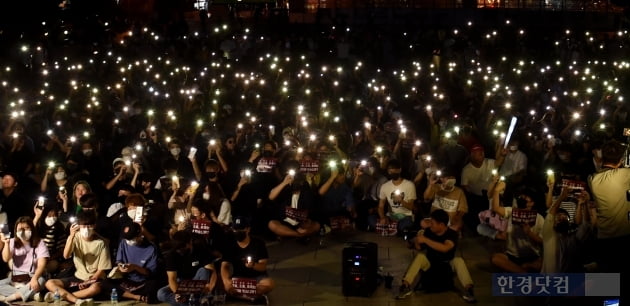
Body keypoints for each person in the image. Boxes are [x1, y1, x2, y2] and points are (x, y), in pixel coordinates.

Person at [396, 209, 476, 303]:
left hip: (447, 263)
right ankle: (405, 285)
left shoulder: (451, 234)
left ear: (441, 225)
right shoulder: (428, 232)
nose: (430, 225)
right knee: (420, 257)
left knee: (458, 261)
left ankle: (469, 289)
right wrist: (414, 241)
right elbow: (419, 248)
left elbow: (445, 248)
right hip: (431, 262)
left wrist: (426, 240)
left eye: (433, 223)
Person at [44, 211, 112, 305]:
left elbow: (101, 269)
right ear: (79, 226)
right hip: (78, 276)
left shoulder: (101, 243)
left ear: (94, 226)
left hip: (95, 279)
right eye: (84, 226)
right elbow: (66, 255)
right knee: (49, 283)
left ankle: (61, 296)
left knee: (95, 288)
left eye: (89, 226)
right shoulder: (75, 237)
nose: (86, 229)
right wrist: (71, 236)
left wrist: (89, 281)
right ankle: (74, 298)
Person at [587, 140, 630, 274]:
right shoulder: (625, 175)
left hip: (604, 237)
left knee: (608, 276)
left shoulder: (592, 179)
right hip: (624, 236)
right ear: (621, 159)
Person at [489, 180, 544, 273]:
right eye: (521, 196)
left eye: (525, 197)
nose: (522, 198)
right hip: (512, 255)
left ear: (532, 203)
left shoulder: (539, 218)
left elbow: (543, 241)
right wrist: (496, 191)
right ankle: (523, 272)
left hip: (532, 256)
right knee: (495, 258)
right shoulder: (511, 211)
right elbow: (496, 208)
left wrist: (529, 233)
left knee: (542, 263)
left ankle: (520, 269)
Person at [221, 216, 273, 305]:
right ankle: (252, 297)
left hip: (257, 278)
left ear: (248, 229)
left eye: (241, 229)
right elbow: (224, 266)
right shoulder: (230, 245)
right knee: (226, 286)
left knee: (269, 284)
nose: (237, 232)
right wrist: (226, 281)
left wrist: (253, 265)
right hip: (239, 277)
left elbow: (263, 266)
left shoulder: (259, 243)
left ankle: (241, 296)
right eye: (235, 229)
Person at [157, 230, 217, 305]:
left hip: (197, 282)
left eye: (182, 247)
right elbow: (172, 279)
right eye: (178, 249)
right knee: (161, 293)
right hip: (182, 283)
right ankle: (194, 302)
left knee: (204, 270)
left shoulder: (200, 249)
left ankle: (195, 299)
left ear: (190, 242)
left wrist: (210, 287)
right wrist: (177, 293)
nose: (180, 251)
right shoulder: (171, 255)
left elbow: (212, 271)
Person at [104, 222, 159, 303]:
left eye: (131, 239)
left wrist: (135, 267)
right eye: (127, 239)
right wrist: (120, 267)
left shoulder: (151, 248)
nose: (128, 241)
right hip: (126, 280)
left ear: (140, 235)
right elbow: (119, 261)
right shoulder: (123, 243)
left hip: (142, 282)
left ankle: (124, 295)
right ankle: (136, 297)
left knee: (154, 286)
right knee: (105, 283)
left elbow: (150, 272)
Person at [0, 216, 49, 303]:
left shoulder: (40, 242)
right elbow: (6, 258)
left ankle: (10, 298)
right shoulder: (12, 241)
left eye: (26, 228)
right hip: (16, 277)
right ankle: (32, 295)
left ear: (32, 229)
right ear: (16, 230)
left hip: (34, 275)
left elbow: (42, 264)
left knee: (41, 281)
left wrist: (34, 278)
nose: (23, 231)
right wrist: (6, 243)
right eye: (20, 229)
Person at [460, 144, 496, 232]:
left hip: (490, 196)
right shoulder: (466, 170)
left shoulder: (489, 162)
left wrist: (502, 154)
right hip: (476, 197)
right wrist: (471, 195)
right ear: (472, 156)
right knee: (477, 216)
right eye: (478, 153)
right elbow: (465, 185)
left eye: (482, 153)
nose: (482, 155)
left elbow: (499, 162)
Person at [376, 159, 417, 234]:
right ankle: (392, 227)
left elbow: (411, 207)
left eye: (394, 170)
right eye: (390, 171)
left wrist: (401, 200)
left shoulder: (409, 185)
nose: (392, 173)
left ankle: (392, 228)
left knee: (405, 225)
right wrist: (383, 217)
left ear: (399, 170)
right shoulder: (385, 186)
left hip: (405, 216)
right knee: (371, 220)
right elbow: (381, 206)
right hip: (391, 216)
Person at [424, 168, 468, 233]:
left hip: (450, 220)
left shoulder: (459, 191)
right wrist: (430, 184)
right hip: (435, 220)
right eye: (445, 177)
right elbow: (426, 197)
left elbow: (463, 209)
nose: (446, 179)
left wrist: (456, 218)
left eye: (449, 177)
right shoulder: (436, 187)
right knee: (423, 223)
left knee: (457, 225)